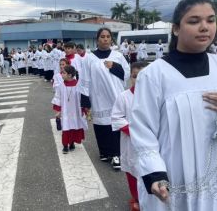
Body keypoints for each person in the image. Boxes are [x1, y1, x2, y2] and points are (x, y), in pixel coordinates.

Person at [129, 0, 217, 210]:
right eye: (194, 21)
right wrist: (155, 173)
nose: (205, 27)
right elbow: (143, 129)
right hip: (176, 175)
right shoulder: (154, 75)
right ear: (176, 29)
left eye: (210, 20)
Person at [79, 27, 130, 170]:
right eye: (102, 36)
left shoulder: (117, 55)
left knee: (115, 125)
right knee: (101, 125)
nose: (106, 39)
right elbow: (84, 79)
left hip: (115, 96)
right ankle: (104, 151)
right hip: (98, 97)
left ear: (111, 39)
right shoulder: (89, 58)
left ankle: (116, 154)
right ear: (97, 39)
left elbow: (126, 75)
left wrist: (114, 66)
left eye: (108, 36)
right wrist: (85, 100)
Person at [111, 61, 148, 211]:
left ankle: (152, 199)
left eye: (143, 76)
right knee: (133, 171)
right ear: (130, 78)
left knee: (150, 170)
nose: (138, 80)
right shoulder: (124, 97)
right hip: (131, 143)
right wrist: (133, 131)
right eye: (134, 76)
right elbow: (116, 118)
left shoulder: (157, 95)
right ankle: (137, 198)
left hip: (153, 142)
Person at [52, 65, 87, 154]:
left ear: (70, 75)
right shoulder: (61, 86)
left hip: (76, 111)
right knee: (66, 127)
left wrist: (84, 109)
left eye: (64, 73)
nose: (61, 74)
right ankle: (65, 145)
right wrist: (58, 110)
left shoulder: (78, 85)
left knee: (74, 127)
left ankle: (71, 143)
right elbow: (58, 98)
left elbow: (83, 98)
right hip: (66, 111)